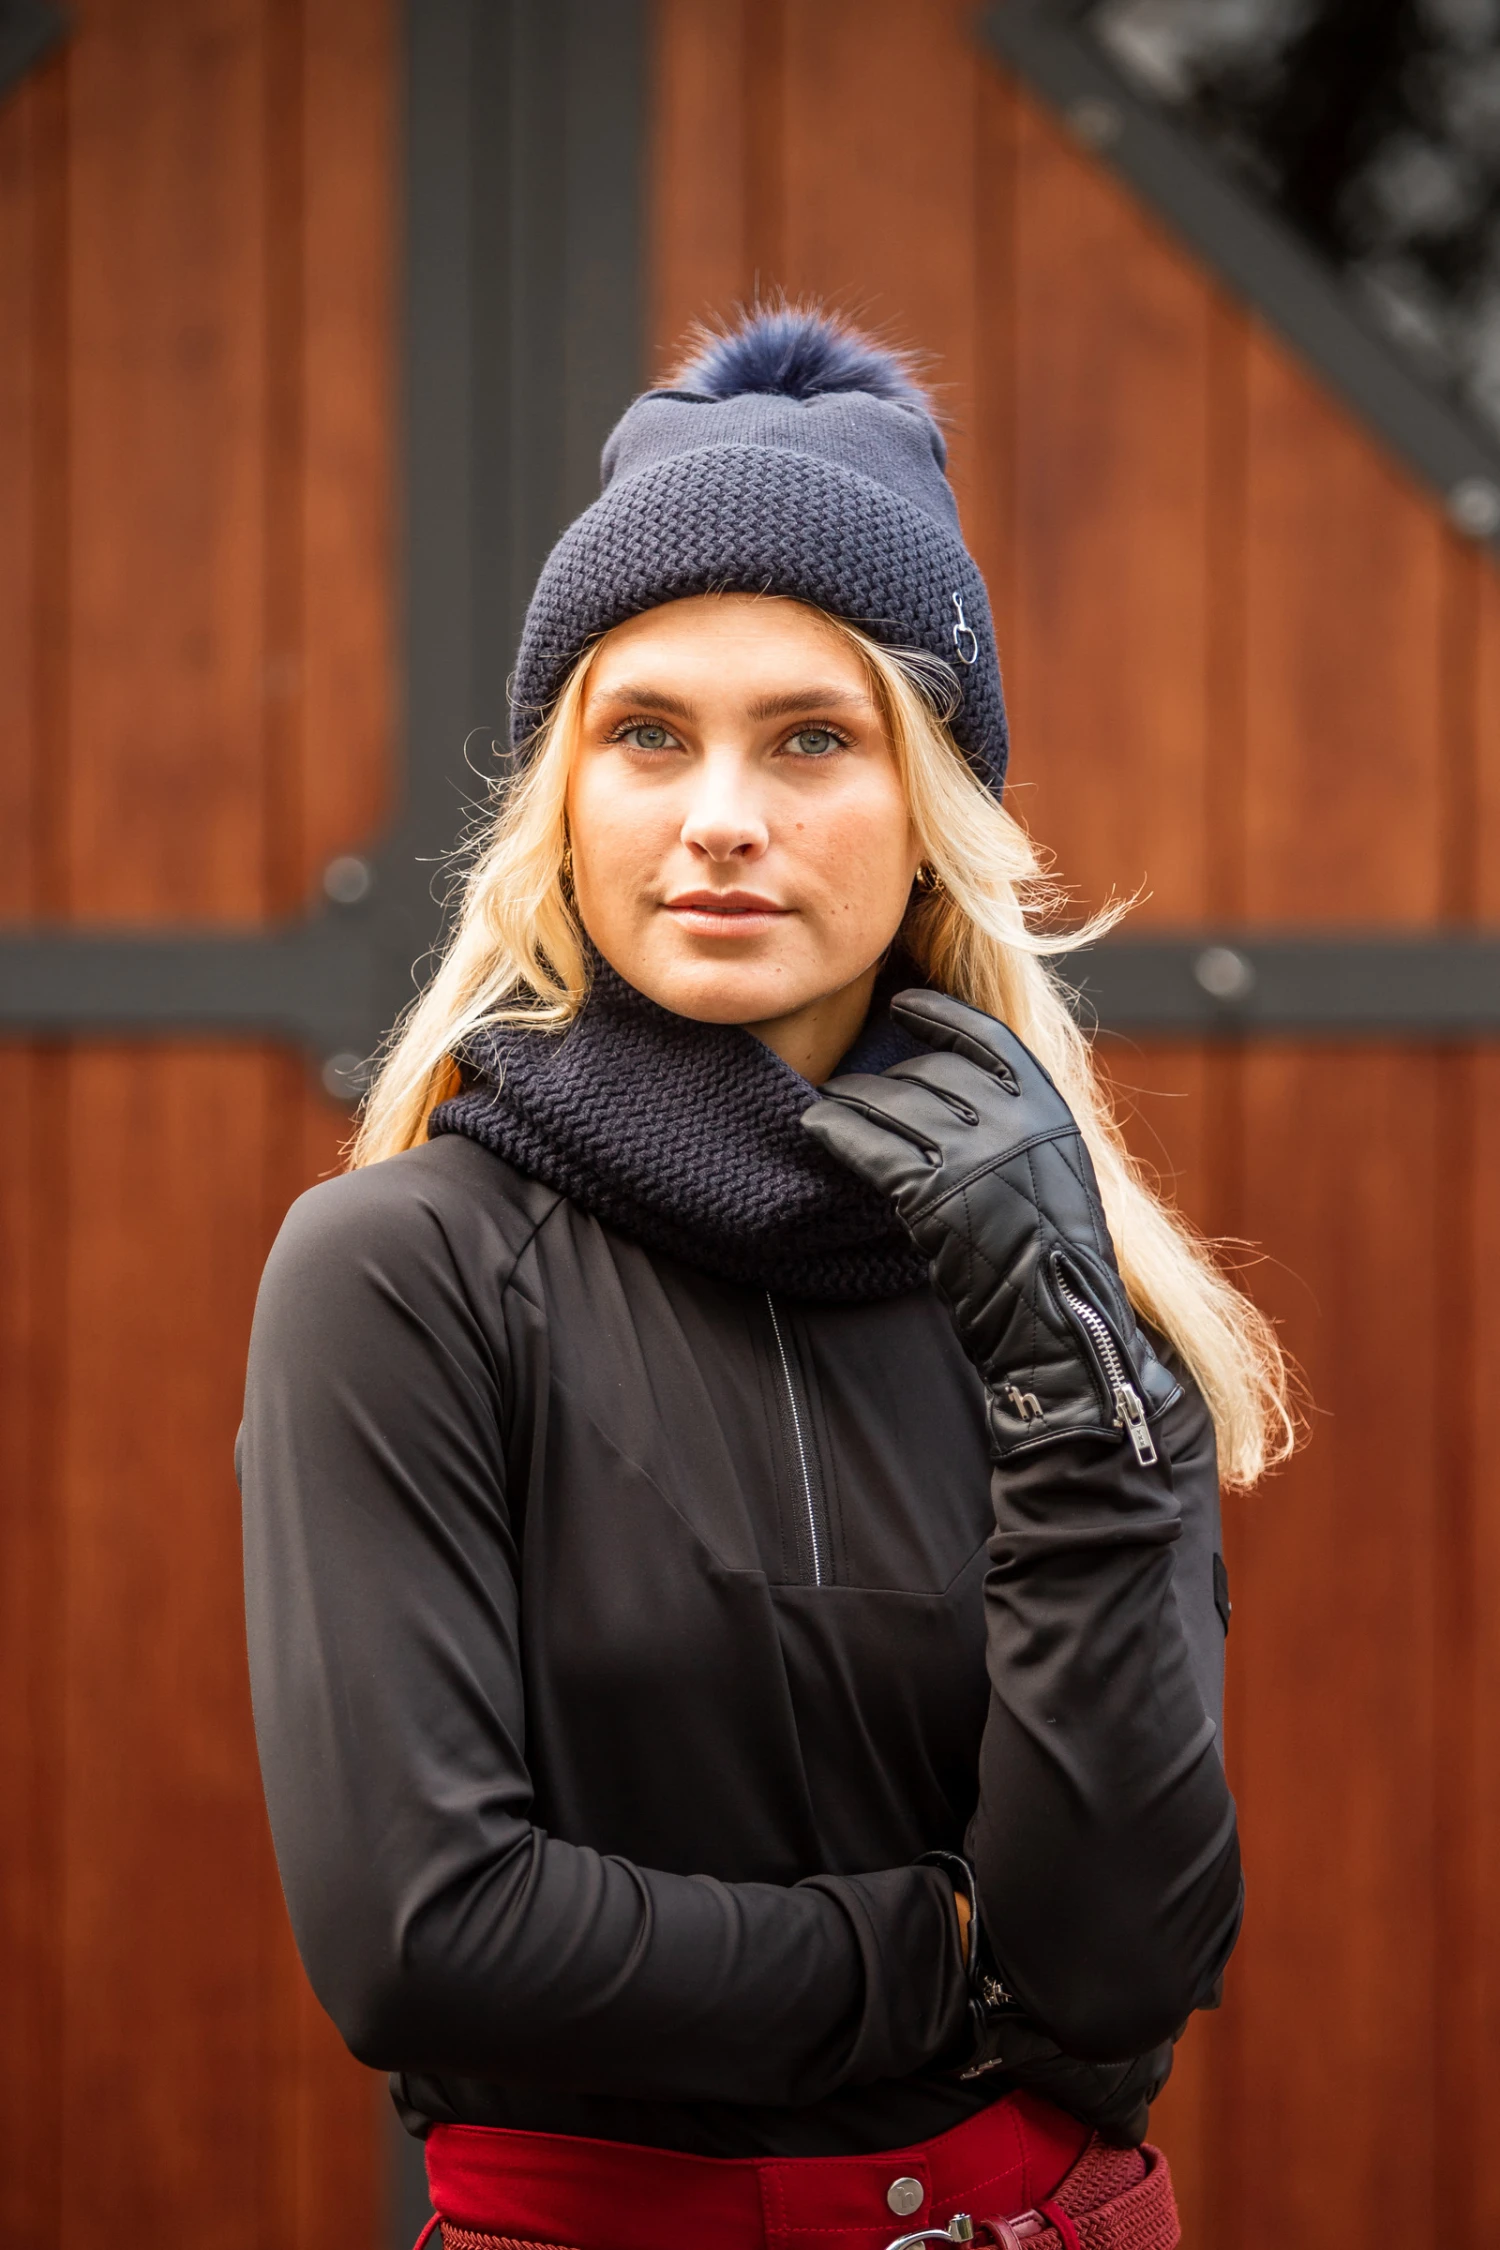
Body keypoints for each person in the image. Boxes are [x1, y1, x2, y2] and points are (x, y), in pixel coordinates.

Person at [240, 306, 1291, 2250]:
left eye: (812, 736)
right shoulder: (402, 1270)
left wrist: (1073, 1390)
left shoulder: (1074, 1295)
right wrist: (948, 1957)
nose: (720, 813)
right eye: (647, 733)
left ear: (932, 816)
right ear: (565, 800)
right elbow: (427, 1937)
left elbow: (1127, 1966)